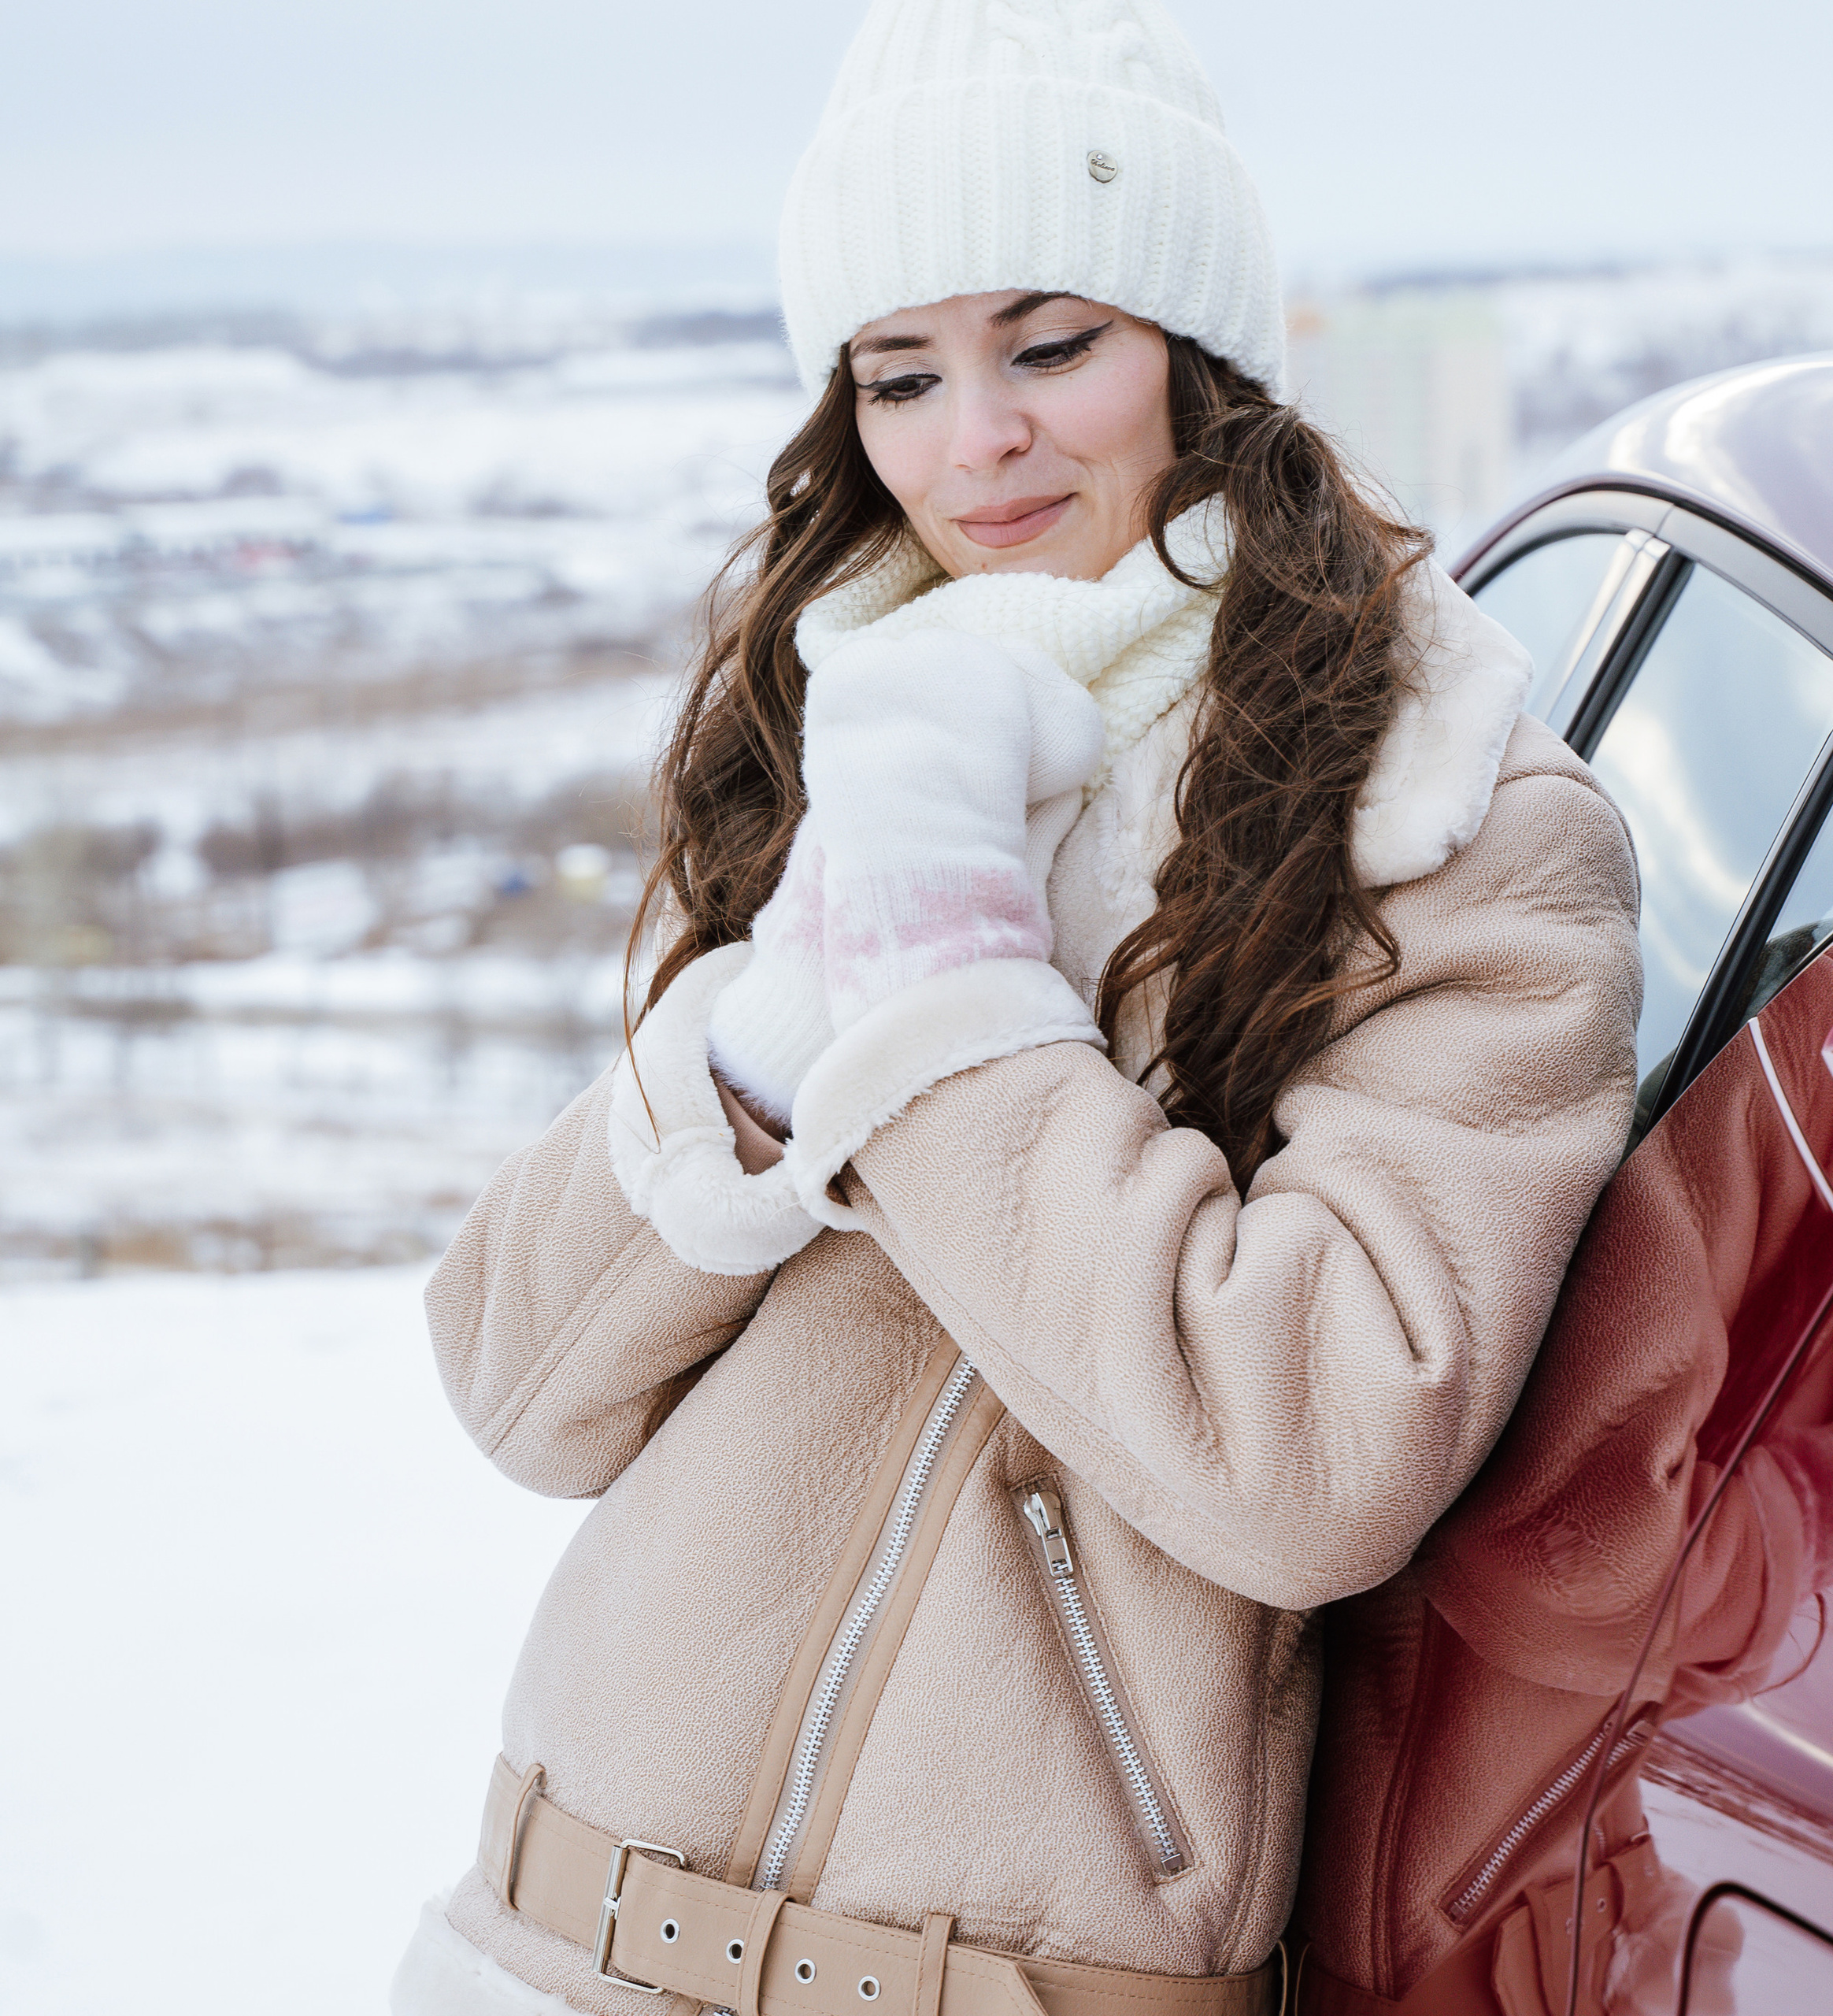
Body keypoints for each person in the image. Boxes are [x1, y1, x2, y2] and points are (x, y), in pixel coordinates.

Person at [391, 2, 1642, 2010]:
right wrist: (772, 1016)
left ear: (1197, 351)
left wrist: (952, 1003)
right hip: (556, 1936)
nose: (971, 440)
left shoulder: (1449, 825)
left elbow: (1306, 1451)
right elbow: (519, 1388)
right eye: (898, 373)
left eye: (1049, 343)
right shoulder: (858, 728)